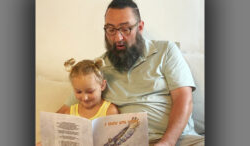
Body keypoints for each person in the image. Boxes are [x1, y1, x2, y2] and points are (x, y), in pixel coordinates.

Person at [57, 0, 204, 145]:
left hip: (178, 140)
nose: (118, 38)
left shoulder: (166, 51)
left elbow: (184, 99)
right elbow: (64, 112)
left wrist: (167, 142)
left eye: (125, 29)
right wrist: (49, 137)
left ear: (140, 27)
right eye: (111, 29)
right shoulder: (97, 68)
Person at [36, 58, 119, 146]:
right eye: (78, 92)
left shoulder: (110, 111)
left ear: (102, 85)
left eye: (90, 91)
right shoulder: (69, 113)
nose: (85, 97)